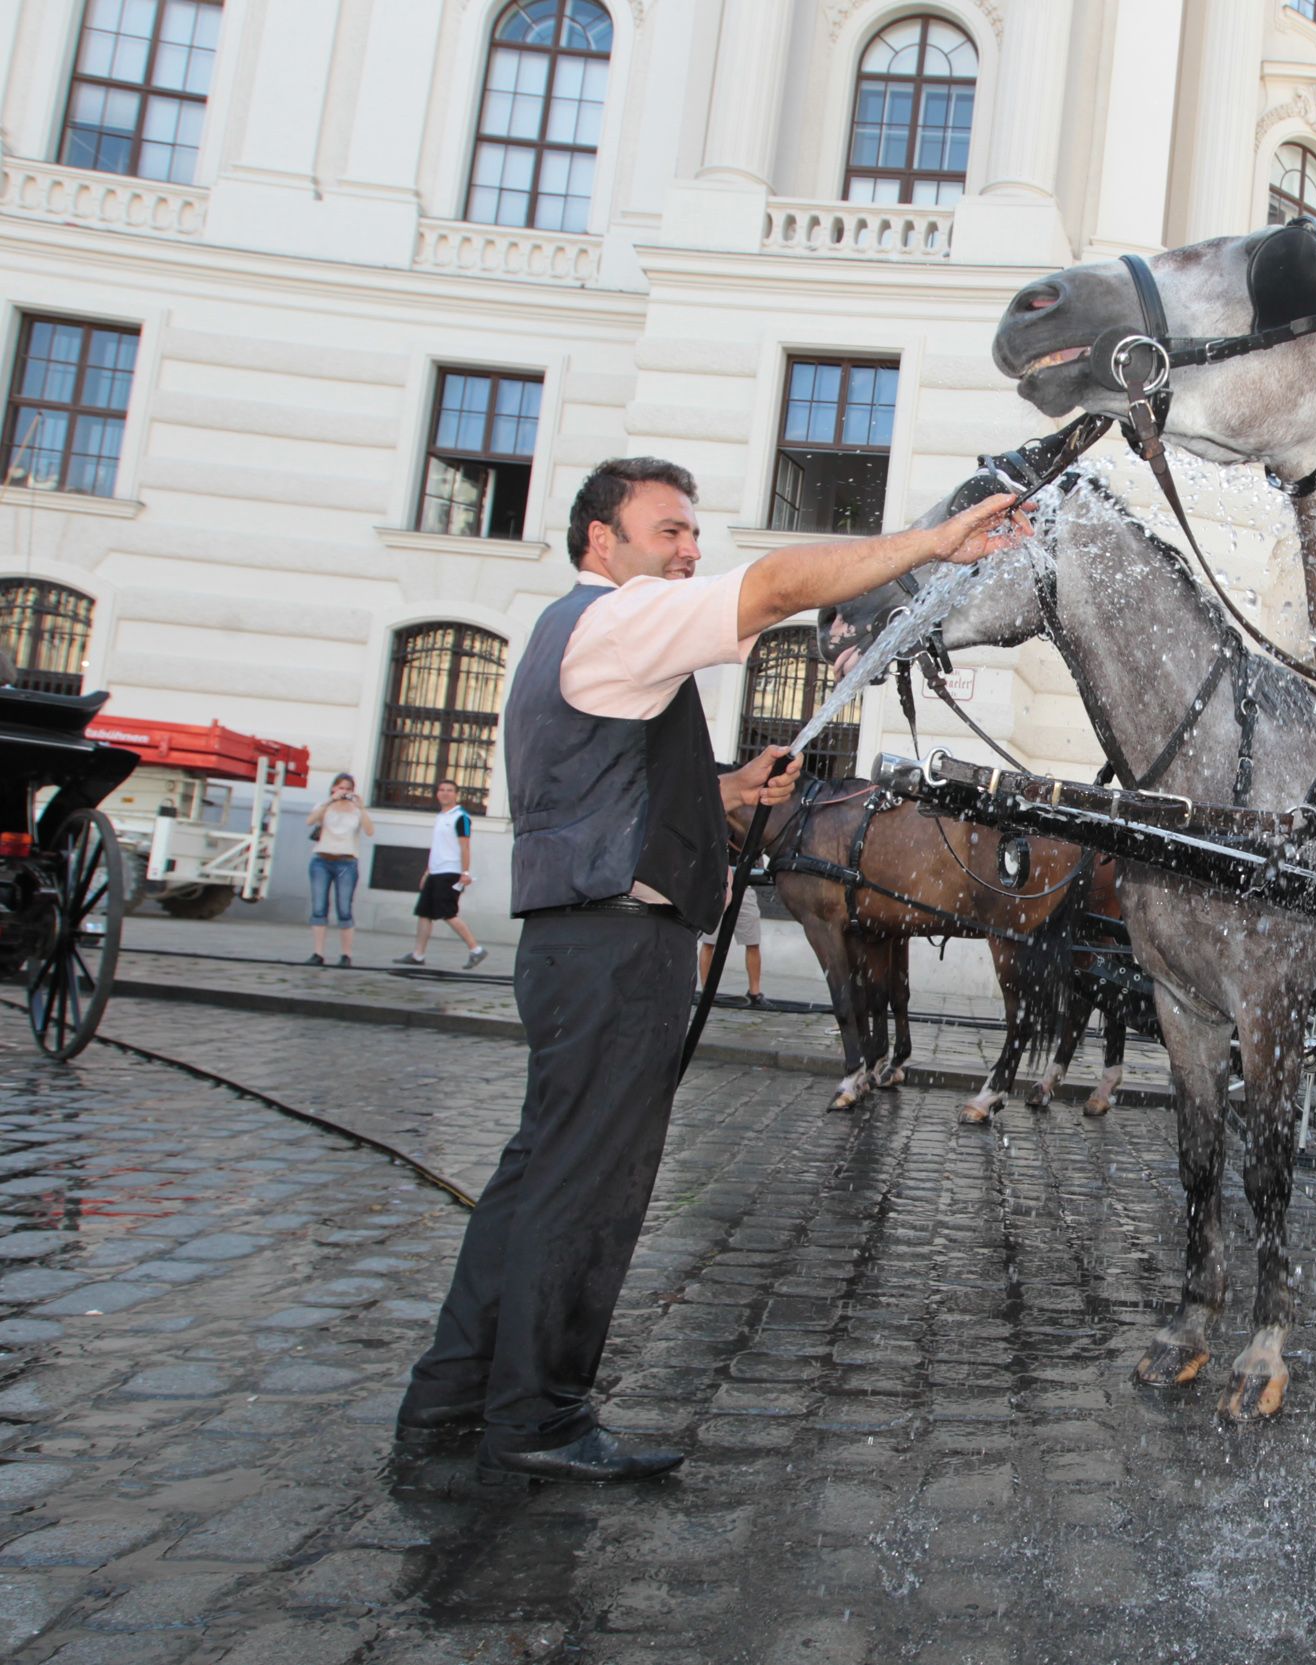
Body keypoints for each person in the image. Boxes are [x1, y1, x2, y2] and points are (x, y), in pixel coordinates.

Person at [395, 455, 1026, 1484]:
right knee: (589, 1190)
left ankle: (450, 1396)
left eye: (692, 532)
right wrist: (932, 544)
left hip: (578, 942)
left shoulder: (575, 632)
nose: (689, 549)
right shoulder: (619, 617)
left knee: (538, 1175)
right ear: (602, 540)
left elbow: (612, 786)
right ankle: (538, 1417)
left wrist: (728, 787)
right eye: (668, 531)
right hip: (613, 949)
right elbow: (774, 587)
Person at [396, 779, 490, 970]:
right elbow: (438, 847)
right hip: (436, 872)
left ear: (456, 794)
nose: (445, 793)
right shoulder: (440, 816)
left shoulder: (461, 817)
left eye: (449, 790)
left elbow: (465, 846)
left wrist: (465, 872)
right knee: (424, 913)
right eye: (442, 790)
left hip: (450, 872)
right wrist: (427, 872)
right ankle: (418, 955)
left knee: (448, 913)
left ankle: (476, 949)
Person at [307, 772, 374, 966]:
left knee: (344, 908)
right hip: (321, 860)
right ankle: (318, 953)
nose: (344, 792)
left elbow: (370, 831)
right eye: (341, 788)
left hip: (346, 861)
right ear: (333, 788)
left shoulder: (356, 810)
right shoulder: (324, 805)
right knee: (319, 907)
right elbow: (310, 821)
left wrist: (361, 807)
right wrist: (330, 801)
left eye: (348, 789)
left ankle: (346, 955)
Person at [697, 860, 765, 1006]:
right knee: (709, 942)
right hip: (715, 885)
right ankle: (706, 990)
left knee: (753, 942)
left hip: (744, 886)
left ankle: (755, 992)